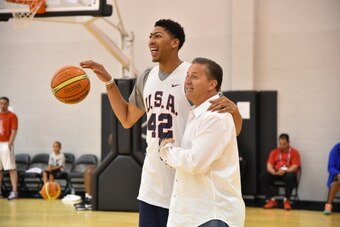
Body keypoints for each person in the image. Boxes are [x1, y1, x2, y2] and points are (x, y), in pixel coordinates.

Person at [80, 19, 243, 226]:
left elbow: (231, 129)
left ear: (175, 43)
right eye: (150, 36)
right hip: (152, 182)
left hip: (184, 185)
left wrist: (235, 112)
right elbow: (127, 118)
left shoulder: (192, 76)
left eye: (157, 36)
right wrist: (109, 82)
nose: (151, 41)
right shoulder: (147, 77)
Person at [159, 57, 245, 227]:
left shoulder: (215, 117)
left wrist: (166, 150)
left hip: (211, 217)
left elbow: (195, 162)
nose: (187, 81)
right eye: (187, 76)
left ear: (212, 84)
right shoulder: (198, 114)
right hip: (195, 216)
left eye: (195, 77)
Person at [260, 133, 301, 210]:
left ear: (288, 143)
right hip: (276, 172)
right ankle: (271, 200)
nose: (282, 146)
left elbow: (295, 166)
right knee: (263, 176)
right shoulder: (274, 152)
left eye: (284, 144)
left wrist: (285, 171)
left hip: (287, 172)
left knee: (291, 176)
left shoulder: (294, 152)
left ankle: (286, 200)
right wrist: (274, 172)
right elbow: (269, 165)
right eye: (280, 144)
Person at [0, 96, 19, 200]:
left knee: (11, 168)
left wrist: (10, 144)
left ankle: (15, 191)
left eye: (4, 103)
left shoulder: (12, 116)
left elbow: (14, 130)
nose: (3, 105)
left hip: (6, 143)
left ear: (8, 104)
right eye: (1, 103)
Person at [323, 142, 340, 215]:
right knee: (336, 180)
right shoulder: (335, 150)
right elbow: (331, 167)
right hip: (338, 175)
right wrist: (338, 173)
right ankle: (329, 204)